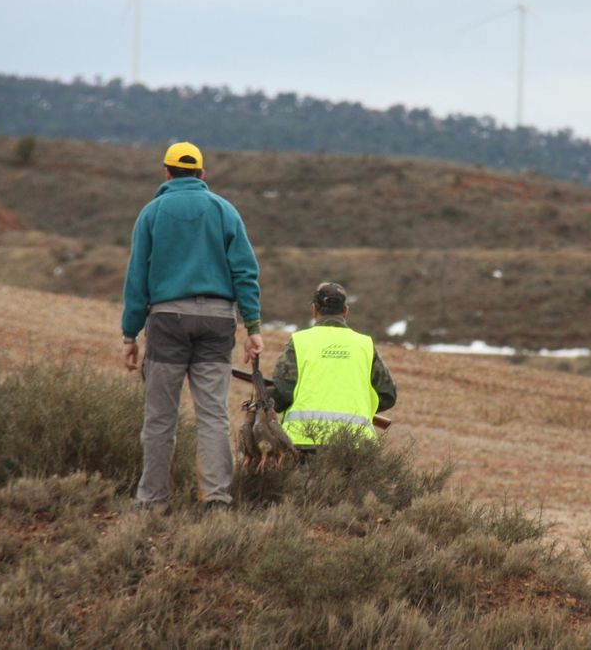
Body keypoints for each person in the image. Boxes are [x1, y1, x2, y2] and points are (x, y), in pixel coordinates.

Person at [121, 141, 263, 512]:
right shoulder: (224, 210)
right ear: (202, 174)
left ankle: (152, 500)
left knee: (160, 417)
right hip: (218, 322)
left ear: (166, 172)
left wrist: (129, 334)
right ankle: (216, 498)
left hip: (167, 321)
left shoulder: (152, 213)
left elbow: (137, 278)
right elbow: (245, 272)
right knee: (213, 414)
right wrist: (253, 327)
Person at [270, 282, 396, 452]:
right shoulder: (364, 344)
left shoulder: (299, 341)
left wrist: (265, 394)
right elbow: (388, 395)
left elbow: (281, 396)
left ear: (314, 309)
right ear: (345, 311)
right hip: (356, 443)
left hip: (303, 443)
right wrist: (359, 405)